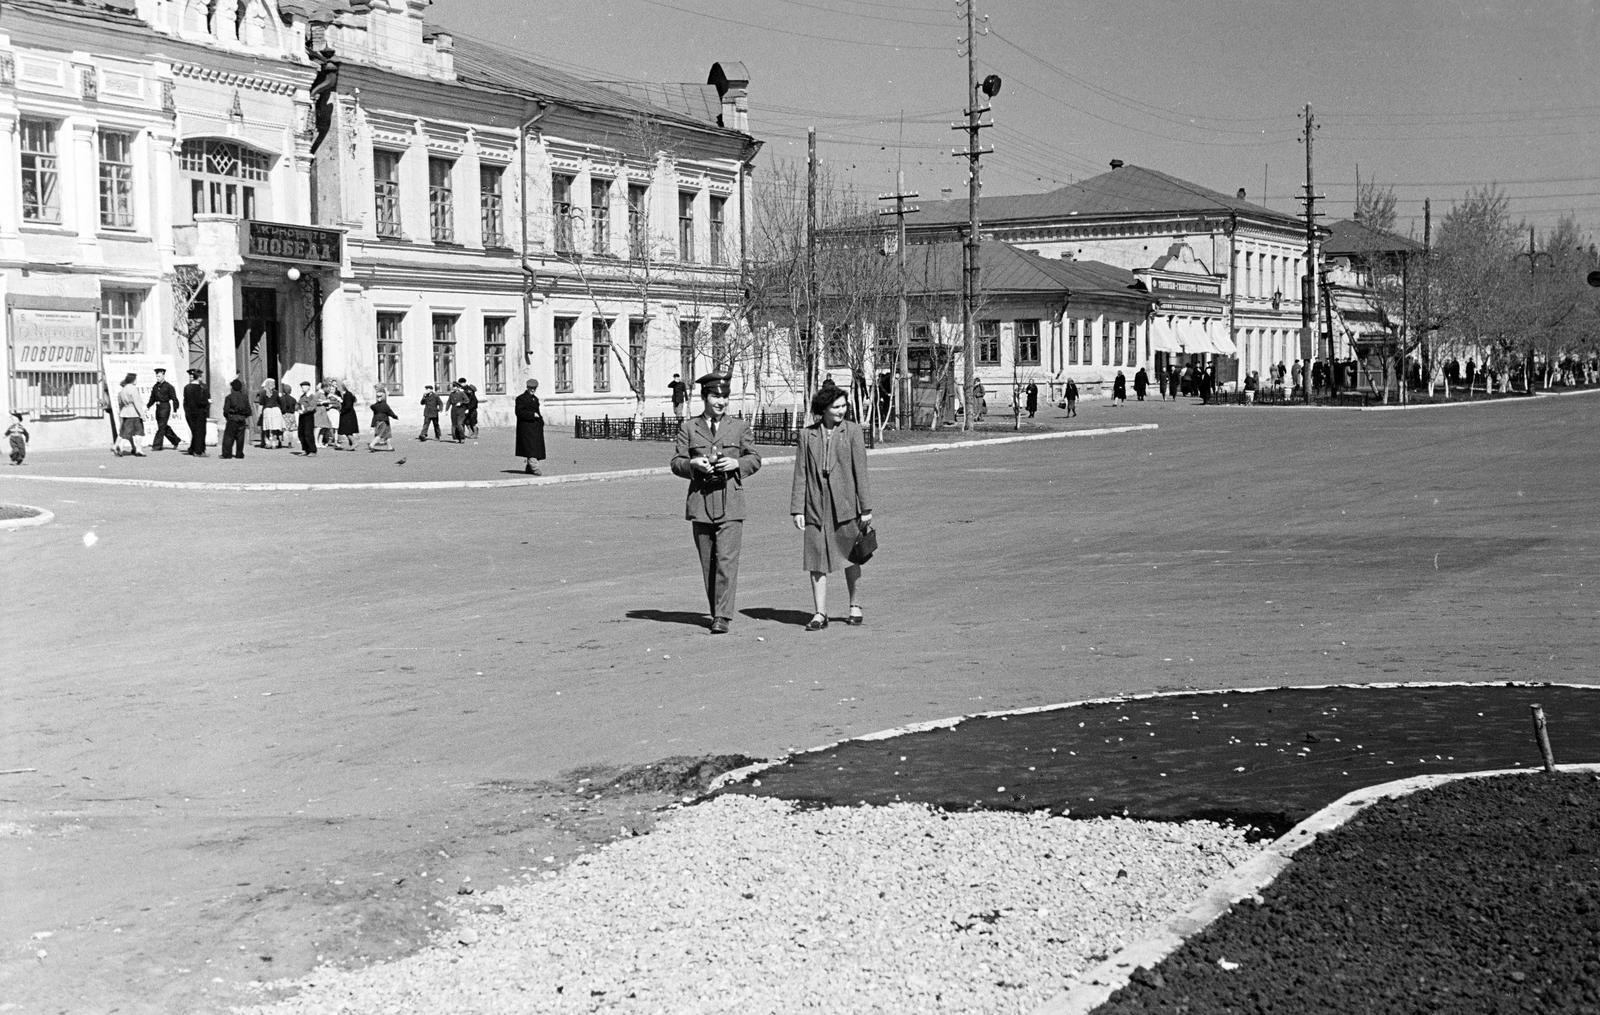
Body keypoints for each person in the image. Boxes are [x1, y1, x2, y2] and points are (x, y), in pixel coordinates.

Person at [670, 372, 762, 634]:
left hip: (731, 500)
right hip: (701, 501)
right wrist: (692, 464)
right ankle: (715, 611)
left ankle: (722, 616)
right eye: (715, 396)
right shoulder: (689, 427)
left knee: (727, 561)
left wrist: (737, 463)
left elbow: (754, 458)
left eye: (725, 397)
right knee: (708, 561)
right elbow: (676, 462)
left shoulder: (739, 427)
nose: (721, 402)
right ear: (704, 397)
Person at [790, 386, 873, 631]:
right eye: (836, 407)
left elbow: (861, 472)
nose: (841, 411)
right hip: (816, 504)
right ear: (823, 409)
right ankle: (820, 613)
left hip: (845, 505)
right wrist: (798, 509)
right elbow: (800, 474)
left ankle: (855, 605)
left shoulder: (853, 432)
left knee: (850, 556)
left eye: (843, 406)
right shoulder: (807, 435)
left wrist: (866, 508)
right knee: (816, 559)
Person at [514, 378, 546, 474]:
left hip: (535, 427)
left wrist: (541, 421)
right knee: (530, 448)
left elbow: (538, 412)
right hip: (526, 428)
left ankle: (529, 467)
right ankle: (535, 467)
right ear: (527, 388)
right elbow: (519, 412)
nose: (533, 390)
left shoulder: (535, 399)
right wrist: (532, 415)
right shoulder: (521, 398)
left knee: (535, 448)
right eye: (531, 388)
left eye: (534, 388)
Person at [147, 367, 183, 450]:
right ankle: (175, 440)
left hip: (165, 407)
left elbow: (174, 398)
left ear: (163, 375)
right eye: (157, 376)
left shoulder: (169, 386)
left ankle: (157, 445)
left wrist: (175, 409)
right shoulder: (155, 386)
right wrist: (148, 406)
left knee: (161, 426)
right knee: (163, 427)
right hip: (158, 408)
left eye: (159, 376)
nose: (157, 378)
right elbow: (152, 398)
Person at [115, 372, 146, 457]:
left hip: (125, 412)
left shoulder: (123, 390)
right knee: (139, 432)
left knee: (127, 432)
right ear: (132, 380)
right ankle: (138, 449)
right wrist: (142, 414)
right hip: (134, 413)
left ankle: (121, 446)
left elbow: (120, 403)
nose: (136, 380)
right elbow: (137, 402)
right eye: (135, 379)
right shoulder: (133, 389)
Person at [183, 369, 210, 456]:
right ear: (198, 377)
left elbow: (185, 401)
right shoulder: (200, 388)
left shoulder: (187, 387)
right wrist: (208, 402)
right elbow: (200, 401)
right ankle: (198, 451)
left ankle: (193, 448)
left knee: (195, 431)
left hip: (190, 413)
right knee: (200, 431)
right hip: (199, 412)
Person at [221, 379, 251, 459]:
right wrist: (244, 416)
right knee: (240, 438)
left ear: (233, 388)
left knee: (228, 437)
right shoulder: (245, 397)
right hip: (241, 419)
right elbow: (249, 410)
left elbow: (225, 410)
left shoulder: (229, 397)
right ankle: (239, 453)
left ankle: (227, 454)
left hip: (232, 419)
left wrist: (228, 417)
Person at [257, 378, 284, 448]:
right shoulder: (276, 392)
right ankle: (274, 443)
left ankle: (268, 442)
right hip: (276, 410)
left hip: (267, 410)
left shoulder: (263, 393)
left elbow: (261, 404)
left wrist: (259, 413)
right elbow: (280, 402)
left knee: (267, 427)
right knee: (275, 427)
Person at [296, 381, 319, 455]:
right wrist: (297, 409)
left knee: (308, 433)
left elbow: (312, 407)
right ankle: (305, 449)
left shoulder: (313, 396)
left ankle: (312, 450)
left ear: (308, 387)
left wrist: (304, 410)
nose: (302, 389)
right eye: (302, 387)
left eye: (304, 387)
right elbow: (298, 404)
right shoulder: (302, 396)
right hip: (302, 416)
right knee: (301, 433)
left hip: (308, 416)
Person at [336, 382, 359, 450]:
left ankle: (354, 442)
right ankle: (351, 444)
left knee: (346, 430)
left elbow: (348, 406)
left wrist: (341, 411)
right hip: (347, 414)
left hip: (348, 415)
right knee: (348, 430)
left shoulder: (347, 395)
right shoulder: (345, 394)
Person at [314, 383, 335, 447]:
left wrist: (327, 403)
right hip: (318, 412)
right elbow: (313, 402)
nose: (329, 390)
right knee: (318, 427)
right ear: (324, 387)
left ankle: (320, 442)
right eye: (328, 388)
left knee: (323, 428)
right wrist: (321, 402)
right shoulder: (318, 393)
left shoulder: (324, 394)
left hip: (323, 412)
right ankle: (315, 442)